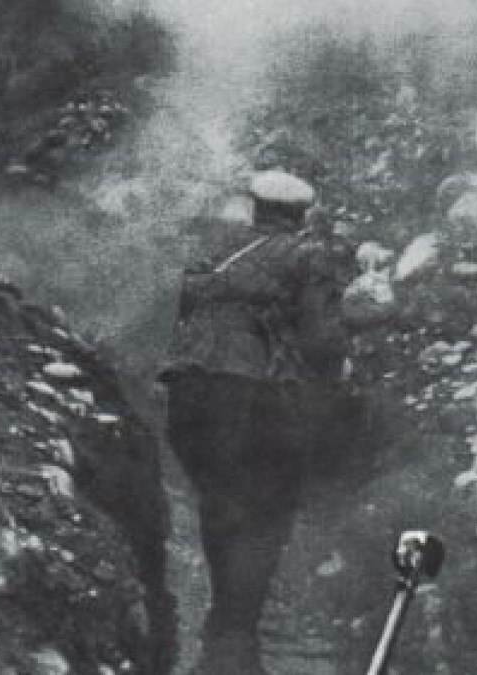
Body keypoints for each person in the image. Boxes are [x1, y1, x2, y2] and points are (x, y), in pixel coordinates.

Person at [161, 170, 371, 675]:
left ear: (256, 208)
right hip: (252, 395)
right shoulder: (306, 256)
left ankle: (223, 633)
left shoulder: (217, 250)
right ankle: (235, 638)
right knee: (268, 512)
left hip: (188, 392)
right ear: (301, 215)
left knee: (219, 502)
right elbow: (321, 341)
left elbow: (188, 311)